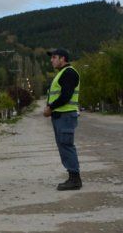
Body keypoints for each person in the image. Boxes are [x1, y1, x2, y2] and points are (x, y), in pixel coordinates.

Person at [43, 48, 82, 191]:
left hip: (65, 116)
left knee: (66, 145)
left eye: (54, 57)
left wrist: (50, 107)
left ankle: (75, 179)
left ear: (63, 59)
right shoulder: (62, 74)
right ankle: (72, 176)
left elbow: (66, 95)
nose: (51, 60)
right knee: (63, 145)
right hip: (60, 116)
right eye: (51, 57)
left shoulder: (69, 73)